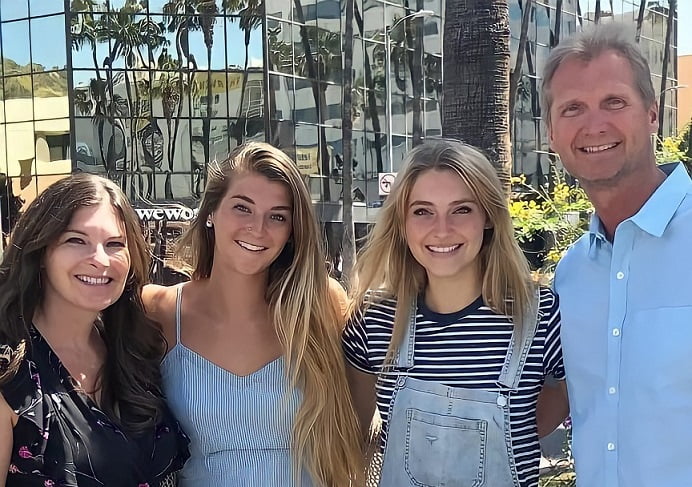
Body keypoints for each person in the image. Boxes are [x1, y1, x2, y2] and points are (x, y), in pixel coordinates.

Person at [342, 139, 565, 487]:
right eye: (422, 211)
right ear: (401, 222)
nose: (442, 229)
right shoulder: (374, 320)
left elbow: (558, 406)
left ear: (489, 217)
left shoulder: (540, 317)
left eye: (461, 209)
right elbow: (352, 437)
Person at [143, 142, 362, 486]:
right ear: (211, 212)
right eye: (242, 208)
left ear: (292, 232)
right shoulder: (160, 311)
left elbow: (362, 422)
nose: (258, 228)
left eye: (277, 216)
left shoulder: (319, 304)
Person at [542, 22, 692, 487]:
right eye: (573, 108)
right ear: (551, 134)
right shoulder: (570, 277)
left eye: (614, 102)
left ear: (652, 114)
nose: (594, 125)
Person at [0, 174, 189, 486]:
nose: (100, 259)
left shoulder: (136, 350)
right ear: (41, 252)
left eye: (115, 244)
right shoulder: (10, 372)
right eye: (76, 240)